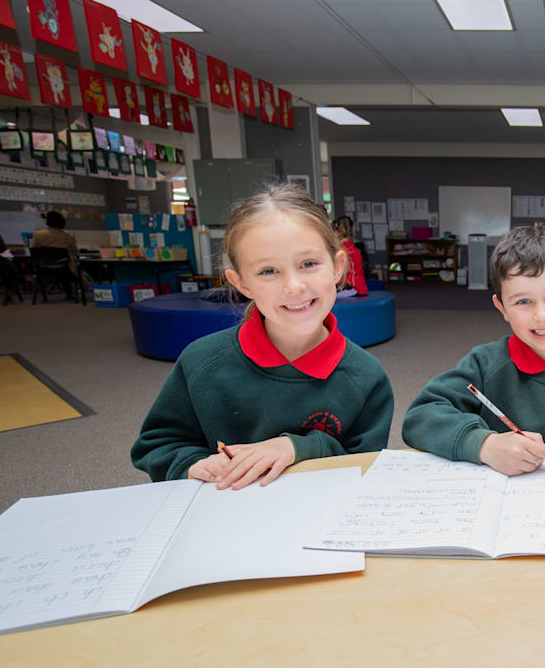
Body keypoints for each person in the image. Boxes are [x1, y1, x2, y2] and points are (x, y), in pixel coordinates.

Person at [132, 184, 393, 488]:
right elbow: (157, 444)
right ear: (241, 283)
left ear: (336, 268)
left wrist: (301, 448)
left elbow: (366, 465)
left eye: (308, 264)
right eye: (268, 271)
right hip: (223, 517)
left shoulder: (366, 377)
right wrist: (194, 466)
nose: (293, 286)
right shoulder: (201, 362)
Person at [402, 223, 545, 475]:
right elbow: (420, 417)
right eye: (523, 301)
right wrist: (484, 444)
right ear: (502, 307)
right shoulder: (484, 365)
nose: (542, 316)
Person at [31, 210, 90, 294]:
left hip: (43, 269)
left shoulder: (38, 234)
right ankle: (85, 287)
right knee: (73, 265)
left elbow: (34, 250)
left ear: (47, 221)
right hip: (66, 269)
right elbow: (75, 252)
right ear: (62, 221)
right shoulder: (67, 236)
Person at [335, 216, 368, 295]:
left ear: (338, 232)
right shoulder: (349, 246)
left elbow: (340, 275)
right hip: (358, 287)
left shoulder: (343, 250)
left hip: (354, 288)